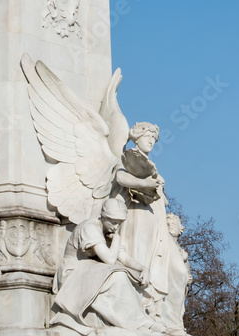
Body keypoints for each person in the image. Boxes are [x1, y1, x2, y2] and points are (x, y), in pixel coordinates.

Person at [52, 196, 160, 333]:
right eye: (113, 222)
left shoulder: (109, 232)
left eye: (119, 223)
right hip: (73, 273)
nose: (116, 226)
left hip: (91, 270)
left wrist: (143, 269)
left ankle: (140, 319)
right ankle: (138, 322)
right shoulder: (89, 227)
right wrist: (117, 239)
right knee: (118, 275)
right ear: (103, 217)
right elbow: (109, 259)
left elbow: (124, 258)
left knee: (133, 276)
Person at [114, 122, 171, 319]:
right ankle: (132, 307)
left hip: (153, 217)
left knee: (151, 259)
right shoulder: (127, 157)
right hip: (136, 213)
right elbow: (120, 178)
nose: (151, 142)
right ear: (137, 137)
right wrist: (143, 183)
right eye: (148, 137)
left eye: (154, 140)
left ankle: (146, 307)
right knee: (137, 254)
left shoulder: (151, 164)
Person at [157, 214, 193, 336]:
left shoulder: (180, 249)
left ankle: (175, 324)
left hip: (177, 286)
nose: (169, 226)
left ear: (180, 229)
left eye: (173, 224)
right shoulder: (163, 243)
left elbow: (186, 273)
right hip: (166, 281)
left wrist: (188, 275)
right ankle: (170, 324)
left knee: (176, 305)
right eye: (167, 224)